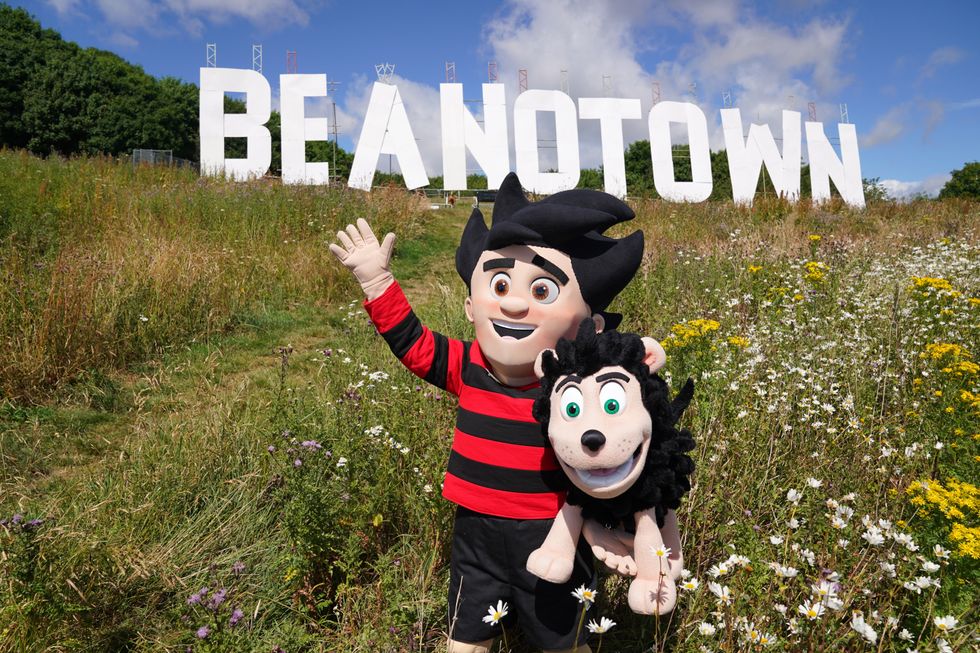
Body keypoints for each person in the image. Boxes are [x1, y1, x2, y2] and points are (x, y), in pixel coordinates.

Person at [329, 173, 644, 653]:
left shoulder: (574, 390)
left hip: (553, 534)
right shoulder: (467, 365)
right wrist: (377, 282)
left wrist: (617, 523)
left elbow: (622, 448)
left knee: (564, 641)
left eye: (542, 291)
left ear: (590, 326)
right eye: (500, 284)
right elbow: (413, 344)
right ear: (470, 305)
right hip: (474, 536)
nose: (514, 303)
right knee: (466, 638)